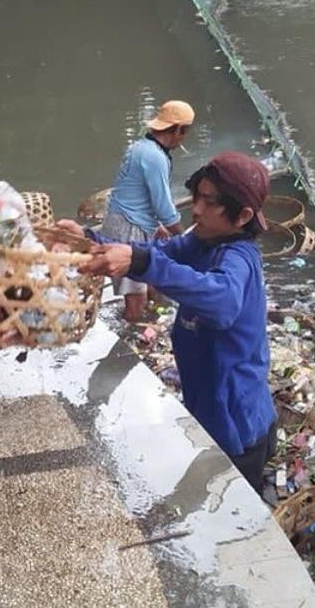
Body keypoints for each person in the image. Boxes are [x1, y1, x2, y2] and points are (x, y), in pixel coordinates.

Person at [60, 151, 277, 494]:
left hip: (236, 420)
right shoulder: (201, 241)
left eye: (209, 202)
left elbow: (222, 302)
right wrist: (90, 241)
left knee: (232, 503)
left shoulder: (239, 260)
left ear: (243, 215)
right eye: (197, 197)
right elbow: (160, 254)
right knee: (207, 490)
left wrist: (143, 262)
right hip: (205, 400)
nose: (197, 209)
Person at [100, 100, 193, 321]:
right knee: (136, 298)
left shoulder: (142, 147)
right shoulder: (154, 157)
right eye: (185, 131)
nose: (184, 137)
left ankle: (152, 318)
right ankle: (134, 329)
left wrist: (156, 226)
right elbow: (164, 206)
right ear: (177, 130)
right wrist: (185, 237)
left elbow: (137, 193)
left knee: (154, 282)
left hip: (129, 222)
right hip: (128, 228)